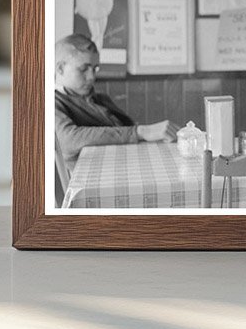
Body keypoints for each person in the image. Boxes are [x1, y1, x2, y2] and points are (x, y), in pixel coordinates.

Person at [53, 33, 177, 202]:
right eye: (83, 69)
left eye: (95, 68)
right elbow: (68, 141)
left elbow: (127, 127)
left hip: (121, 173)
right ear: (60, 69)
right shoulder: (52, 102)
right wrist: (141, 131)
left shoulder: (100, 99)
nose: (92, 77)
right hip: (95, 191)